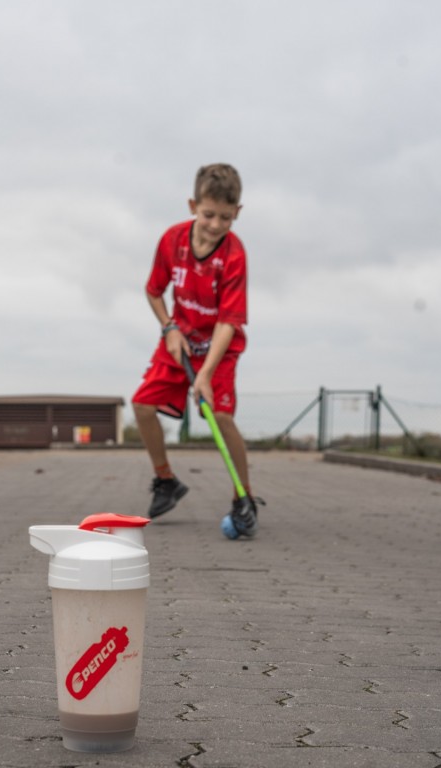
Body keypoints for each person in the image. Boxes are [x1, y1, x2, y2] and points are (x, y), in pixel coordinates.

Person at [132, 163, 260, 533]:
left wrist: (204, 375)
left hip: (219, 348)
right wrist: (169, 327)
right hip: (180, 341)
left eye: (225, 217)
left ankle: (244, 497)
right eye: (208, 215)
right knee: (141, 405)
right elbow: (153, 291)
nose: (216, 225)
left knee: (218, 416)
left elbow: (228, 321)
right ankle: (166, 481)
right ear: (192, 205)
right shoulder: (172, 240)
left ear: (237, 213)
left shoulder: (234, 255)